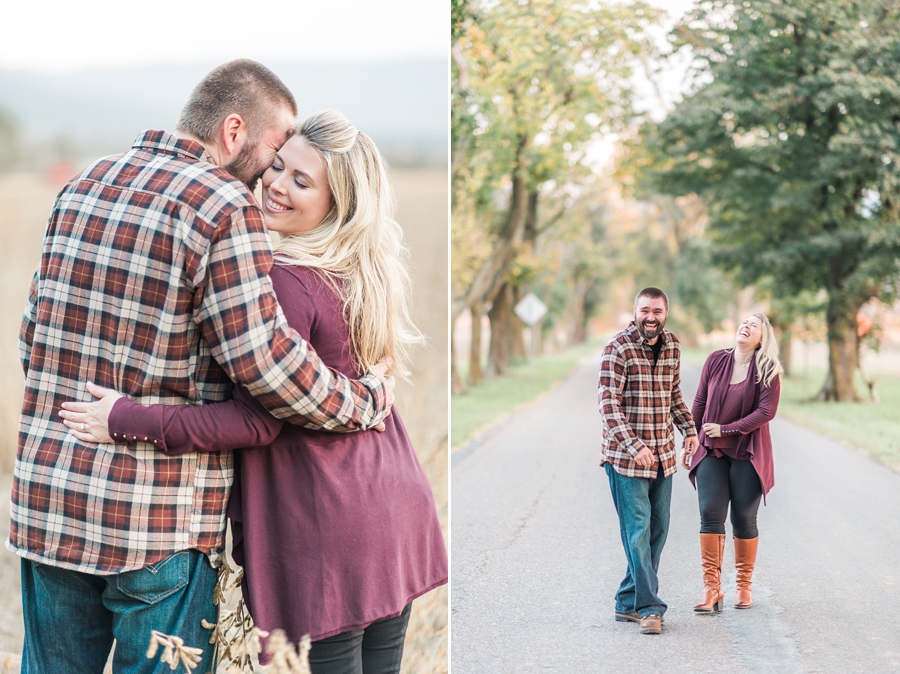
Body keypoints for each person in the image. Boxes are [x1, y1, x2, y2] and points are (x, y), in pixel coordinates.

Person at [13, 61, 393, 674]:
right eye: (275, 150)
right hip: (155, 526)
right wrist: (364, 400)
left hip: (49, 505)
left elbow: (33, 337)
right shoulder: (220, 206)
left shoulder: (84, 182)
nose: (272, 173)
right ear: (235, 130)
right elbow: (268, 369)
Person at [598, 287, 699, 635]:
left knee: (657, 531)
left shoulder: (672, 345)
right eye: (645, 310)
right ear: (635, 311)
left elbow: (673, 396)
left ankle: (627, 601)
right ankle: (649, 608)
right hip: (625, 461)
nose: (651, 317)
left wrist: (690, 431)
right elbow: (608, 406)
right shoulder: (617, 348)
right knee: (638, 530)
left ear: (665, 313)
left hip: (664, 459)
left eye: (657, 311)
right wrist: (634, 446)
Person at [682, 313, 782, 613]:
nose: (746, 326)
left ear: (762, 337)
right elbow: (699, 401)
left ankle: (743, 585)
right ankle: (712, 588)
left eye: (754, 324)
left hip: (747, 451)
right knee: (710, 514)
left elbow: (767, 411)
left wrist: (727, 429)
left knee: (743, 519)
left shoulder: (767, 369)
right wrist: (692, 436)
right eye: (744, 321)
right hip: (712, 449)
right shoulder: (715, 360)